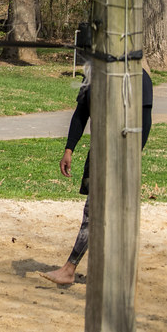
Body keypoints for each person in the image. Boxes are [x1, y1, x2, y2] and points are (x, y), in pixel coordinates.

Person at [40, 63, 153, 286]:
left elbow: (144, 122)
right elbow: (81, 113)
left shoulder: (137, 76)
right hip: (100, 152)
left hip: (121, 155)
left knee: (94, 213)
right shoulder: (93, 74)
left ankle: (69, 269)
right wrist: (69, 149)